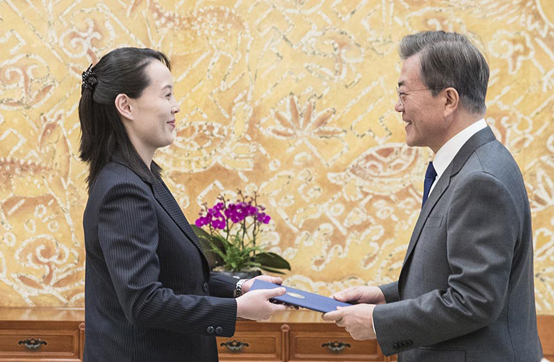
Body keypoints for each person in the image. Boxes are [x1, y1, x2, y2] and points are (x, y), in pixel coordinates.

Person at [323, 31, 543, 362]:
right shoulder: (474, 164)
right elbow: (452, 277)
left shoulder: (480, 179)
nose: (398, 107)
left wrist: (378, 322)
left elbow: (474, 300)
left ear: (448, 100)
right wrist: (385, 297)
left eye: (403, 93)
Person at [78, 47, 287, 362]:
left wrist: (240, 286)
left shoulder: (142, 178)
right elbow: (143, 302)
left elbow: (176, 275)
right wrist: (237, 310)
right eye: (166, 95)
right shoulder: (122, 189)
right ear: (126, 105)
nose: (176, 106)